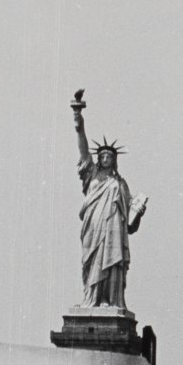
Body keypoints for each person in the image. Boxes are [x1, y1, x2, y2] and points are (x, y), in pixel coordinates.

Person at [72, 99, 147, 308]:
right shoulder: (92, 174)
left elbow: (130, 223)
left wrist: (139, 212)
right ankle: (92, 298)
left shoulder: (120, 184)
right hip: (93, 225)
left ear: (114, 160)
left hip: (113, 230)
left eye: (109, 156)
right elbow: (83, 147)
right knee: (92, 260)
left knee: (111, 260)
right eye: (102, 156)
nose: (105, 158)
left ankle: (108, 299)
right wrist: (78, 116)